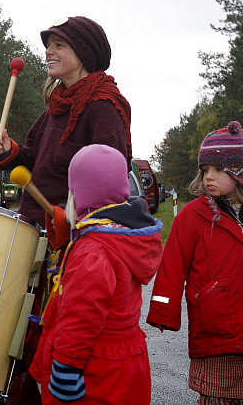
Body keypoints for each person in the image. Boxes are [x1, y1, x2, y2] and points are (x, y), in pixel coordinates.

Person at [0, 16, 132, 403]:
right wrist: (10, 153)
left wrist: (78, 227)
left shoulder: (103, 106)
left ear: (83, 54)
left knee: (52, 338)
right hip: (34, 237)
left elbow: (111, 178)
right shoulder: (56, 106)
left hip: (70, 247)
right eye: (48, 44)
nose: (48, 52)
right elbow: (33, 159)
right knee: (20, 339)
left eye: (59, 45)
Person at [29, 144, 163, 404]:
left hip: (96, 371)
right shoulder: (120, 235)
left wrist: (66, 366)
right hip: (125, 363)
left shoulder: (93, 251)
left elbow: (82, 317)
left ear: (79, 193)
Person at [147, 121, 243, 404]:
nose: (207, 178)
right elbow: (172, 267)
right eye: (204, 171)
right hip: (215, 332)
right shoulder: (192, 216)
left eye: (216, 170)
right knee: (217, 396)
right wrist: (163, 311)